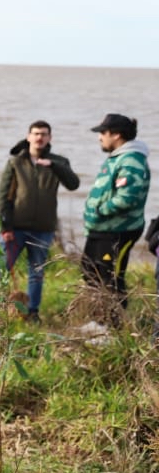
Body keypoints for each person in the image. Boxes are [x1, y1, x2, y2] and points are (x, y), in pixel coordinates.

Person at [0, 120, 80, 323]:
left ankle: (32, 313)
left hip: (43, 229)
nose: (39, 137)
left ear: (49, 138)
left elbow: (73, 184)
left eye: (44, 134)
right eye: (36, 133)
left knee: (37, 273)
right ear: (28, 136)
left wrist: (54, 165)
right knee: (0, 270)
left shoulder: (59, 162)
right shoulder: (16, 162)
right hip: (15, 228)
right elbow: (2, 196)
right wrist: (5, 226)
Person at [81, 113, 150, 327]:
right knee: (91, 272)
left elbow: (127, 197)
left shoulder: (131, 161)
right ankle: (97, 321)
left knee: (110, 279)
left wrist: (99, 210)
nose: (100, 137)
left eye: (103, 133)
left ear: (117, 135)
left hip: (116, 231)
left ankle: (111, 326)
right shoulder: (120, 156)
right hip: (102, 230)